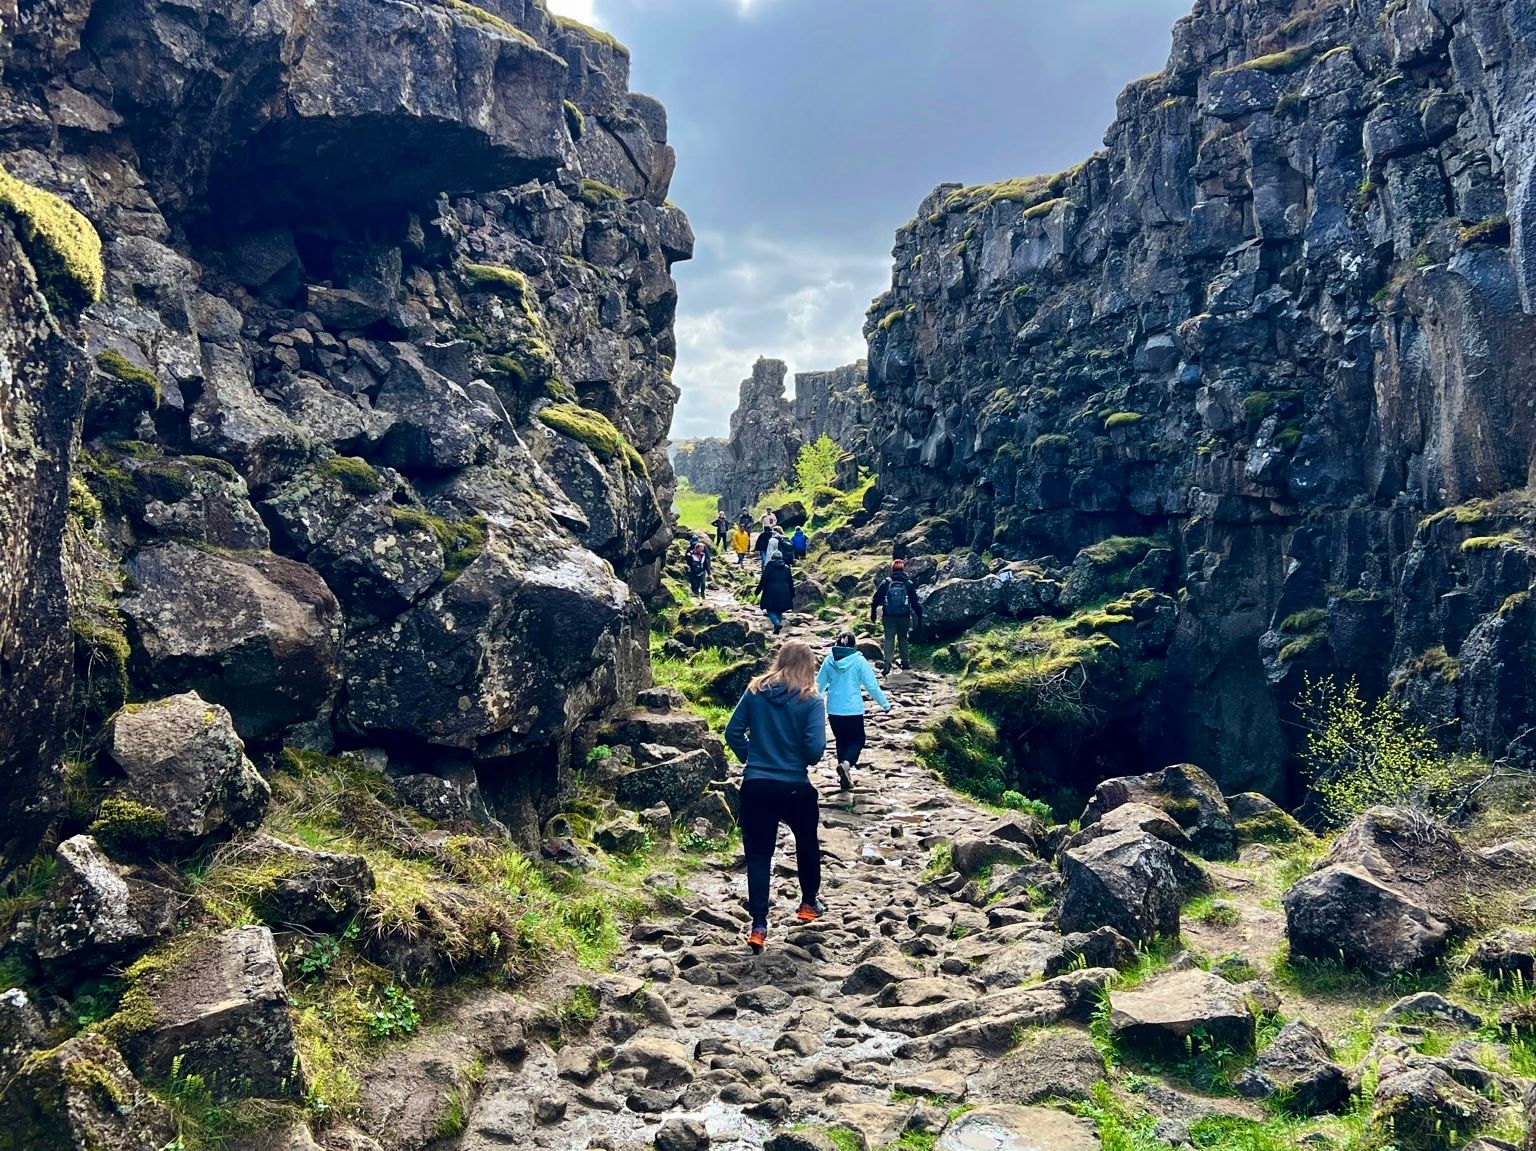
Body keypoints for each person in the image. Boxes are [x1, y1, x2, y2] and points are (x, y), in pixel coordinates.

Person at [724, 640, 828, 953]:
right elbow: (815, 750)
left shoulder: (755, 691)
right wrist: (797, 758)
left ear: (779, 660)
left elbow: (732, 732)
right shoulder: (811, 700)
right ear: (809, 666)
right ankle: (808, 904)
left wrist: (753, 757)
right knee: (807, 843)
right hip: (795, 785)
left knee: (758, 855)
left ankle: (758, 925)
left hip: (757, 785)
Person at [816, 631, 890, 792]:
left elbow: (818, 686)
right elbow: (871, 686)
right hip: (853, 709)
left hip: (834, 709)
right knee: (858, 739)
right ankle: (847, 764)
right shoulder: (859, 660)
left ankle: (845, 774)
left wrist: (807, 705)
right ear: (854, 645)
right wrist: (885, 704)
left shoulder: (829, 660)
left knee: (841, 740)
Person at [871, 558, 922, 674]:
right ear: (903, 569)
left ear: (892, 569)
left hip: (888, 616)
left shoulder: (886, 583)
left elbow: (876, 599)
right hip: (904, 616)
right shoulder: (908, 584)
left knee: (889, 639)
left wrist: (873, 613)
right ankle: (905, 663)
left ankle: (887, 663)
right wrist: (919, 618)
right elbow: (915, 603)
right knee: (903, 638)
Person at [756, 549, 795, 633]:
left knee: (770, 609)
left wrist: (757, 591)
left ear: (772, 557)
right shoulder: (786, 567)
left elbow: (763, 580)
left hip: (771, 590)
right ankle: (777, 628)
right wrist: (792, 593)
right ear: (781, 558)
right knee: (779, 609)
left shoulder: (769, 566)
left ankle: (776, 623)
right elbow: (790, 581)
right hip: (784, 590)